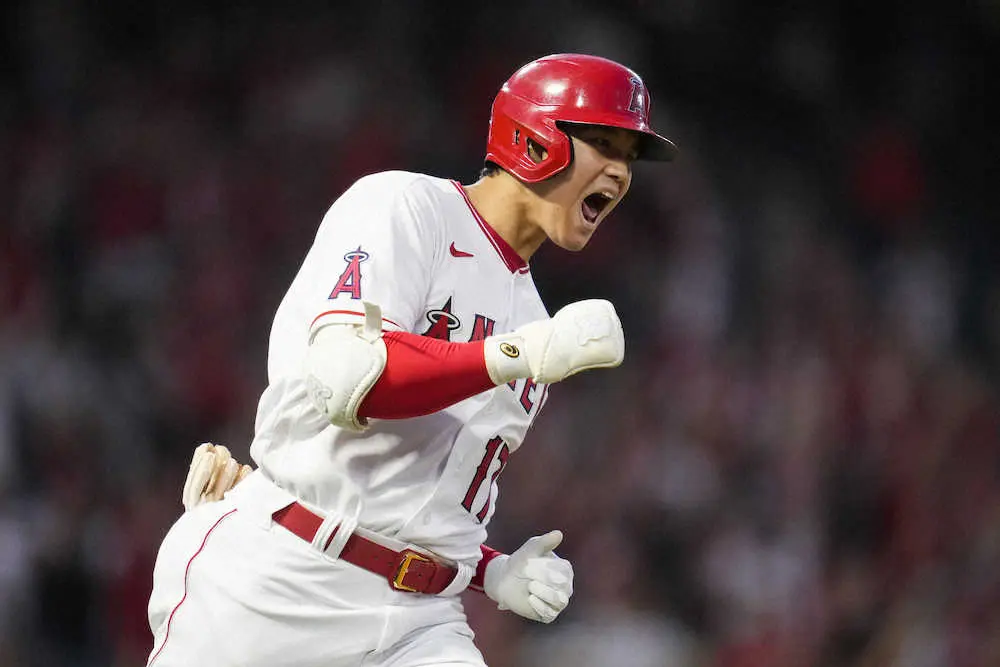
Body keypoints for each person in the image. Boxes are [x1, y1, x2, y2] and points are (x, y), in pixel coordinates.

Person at [146, 52, 677, 667]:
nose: (619, 172)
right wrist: (517, 354)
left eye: (629, 158)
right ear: (536, 139)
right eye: (604, 145)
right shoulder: (406, 207)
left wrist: (488, 569)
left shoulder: (535, 317)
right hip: (279, 579)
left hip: (419, 623)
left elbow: (411, 496)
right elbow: (350, 379)